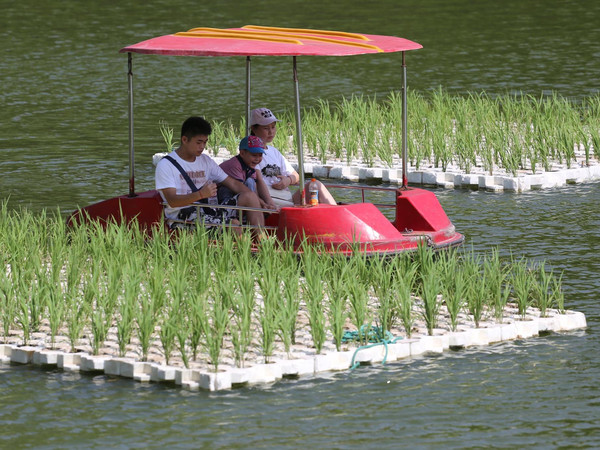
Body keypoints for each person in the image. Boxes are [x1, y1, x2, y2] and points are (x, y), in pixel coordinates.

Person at [155, 116, 265, 232]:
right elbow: (172, 201)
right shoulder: (166, 165)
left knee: (250, 196)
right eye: (198, 142)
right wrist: (201, 194)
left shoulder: (205, 161)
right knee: (234, 225)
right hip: (184, 217)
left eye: (205, 142)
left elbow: (233, 183)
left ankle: (262, 241)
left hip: (208, 210)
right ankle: (246, 249)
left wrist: (260, 201)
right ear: (184, 140)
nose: (202, 147)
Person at [250, 107, 337, 207]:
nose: (271, 132)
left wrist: (288, 180)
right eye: (266, 128)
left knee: (315, 184)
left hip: (286, 198)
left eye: (273, 127)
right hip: (270, 200)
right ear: (254, 128)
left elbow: (295, 175)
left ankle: (337, 213)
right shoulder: (250, 153)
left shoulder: (274, 151)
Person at [218, 135, 278, 211]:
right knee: (226, 188)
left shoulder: (250, 165)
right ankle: (226, 211)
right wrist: (262, 203)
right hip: (218, 193)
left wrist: (261, 203)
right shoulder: (235, 165)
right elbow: (240, 188)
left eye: (260, 155)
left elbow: (253, 188)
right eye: (254, 155)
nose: (257, 159)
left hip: (237, 191)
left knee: (250, 181)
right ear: (242, 153)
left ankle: (251, 209)